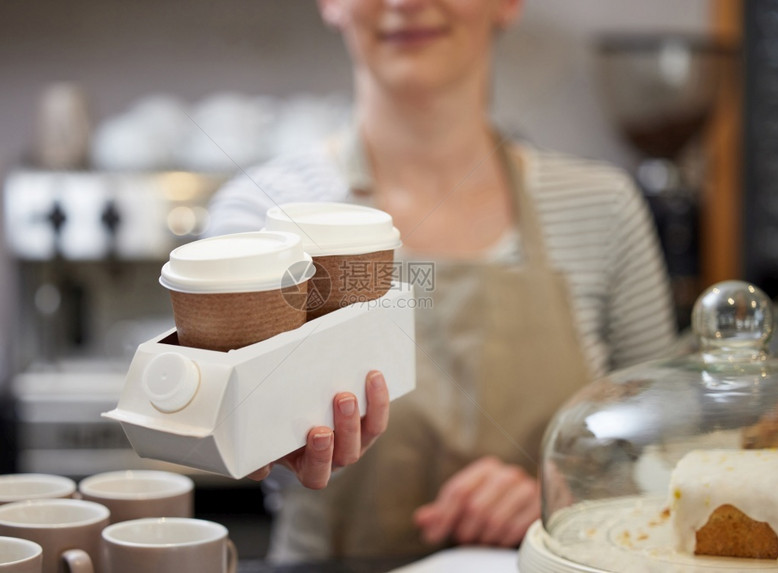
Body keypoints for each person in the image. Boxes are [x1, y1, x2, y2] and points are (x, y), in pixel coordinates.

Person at [207, 0, 678, 562]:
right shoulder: (263, 212)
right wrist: (252, 429)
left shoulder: (602, 208)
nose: (406, 3)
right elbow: (220, 425)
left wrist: (565, 499)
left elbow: (663, 443)